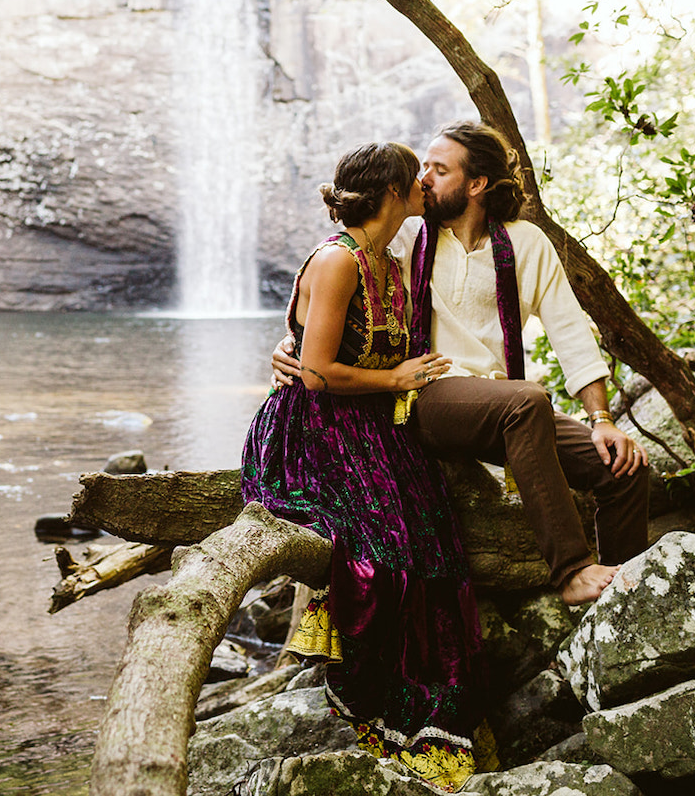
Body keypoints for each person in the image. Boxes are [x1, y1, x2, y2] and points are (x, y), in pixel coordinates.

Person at [272, 121, 650, 606]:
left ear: (476, 185)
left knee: (623, 469)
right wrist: (289, 346)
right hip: (427, 397)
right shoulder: (407, 240)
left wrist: (601, 420)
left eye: (438, 169)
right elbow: (337, 298)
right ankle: (573, 571)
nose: (424, 179)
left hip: (505, 406)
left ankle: (624, 601)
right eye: (422, 168)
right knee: (528, 400)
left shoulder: (527, 243)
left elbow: (571, 334)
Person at [241, 141, 492, 793]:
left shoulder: (395, 259)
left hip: (377, 424)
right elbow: (317, 375)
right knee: (383, 555)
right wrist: (395, 378)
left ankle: (426, 722)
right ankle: (367, 711)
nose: (424, 189)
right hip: (312, 433)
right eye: (416, 180)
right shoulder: (337, 261)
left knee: (435, 548)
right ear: (390, 193)